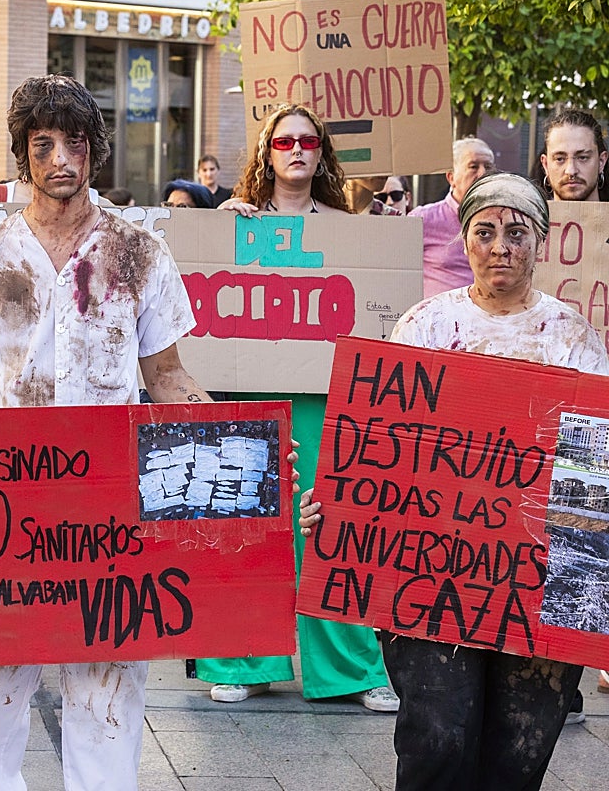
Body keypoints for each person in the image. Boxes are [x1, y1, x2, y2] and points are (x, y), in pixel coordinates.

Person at [0, 73, 210, 791]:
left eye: (75, 142)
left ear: (95, 151)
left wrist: (247, 452)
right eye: (43, 143)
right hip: (2, 507)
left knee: (107, 693)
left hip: (109, 506)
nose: (61, 158)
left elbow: (169, 379)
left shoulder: (139, 252)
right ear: (24, 154)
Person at [300, 172, 609, 790]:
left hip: (538, 580)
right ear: (463, 241)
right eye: (485, 231)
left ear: (540, 244)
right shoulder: (424, 327)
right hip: (431, 573)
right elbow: (380, 447)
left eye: (517, 233)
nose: (501, 246)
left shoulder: (575, 338)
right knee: (437, 737)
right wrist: (338, 500)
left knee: (521, 749)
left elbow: (592, 470)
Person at [208, 104, 397, 712]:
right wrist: (218, 227)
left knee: (333, 518)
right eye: (283, 139)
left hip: (325, 395)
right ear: (267, 152)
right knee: (250, 515)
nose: (295, 148)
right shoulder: (233, 221)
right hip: (252, 390)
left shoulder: (348, 228)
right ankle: (244, 659)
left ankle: (352, 669)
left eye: (307, 139)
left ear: (322, 153)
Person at [537, 106, 609, 716]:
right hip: (549, 414)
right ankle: (561, 673)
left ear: (602, 160)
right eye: (560, 157)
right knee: (563, 536)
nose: (571, 168)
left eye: (582, 156)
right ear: (543, 164)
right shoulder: (519, 227)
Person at [409, 138, 495, 298]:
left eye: (488, 166)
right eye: (473, 166)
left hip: (492, 319)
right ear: (451, 177)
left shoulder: (504, 221)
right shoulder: (423, 220)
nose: (483, 174)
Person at [538, 107, 607, 203]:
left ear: (601, 162)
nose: (571, 171)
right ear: (545, 164)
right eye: (560, 159)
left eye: (583, 158)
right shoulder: (524, 218)